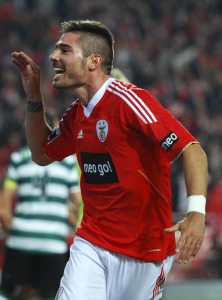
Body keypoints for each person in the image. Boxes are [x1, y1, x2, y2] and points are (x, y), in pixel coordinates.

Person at [11, 20, 208, 300]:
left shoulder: (130, 101)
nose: (53, 57)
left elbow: (192, 149)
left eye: (64, 50)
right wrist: (33, 96)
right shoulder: (75, 115)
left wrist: (197, 213)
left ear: (93, 61)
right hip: (92, 243)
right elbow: (41, 153)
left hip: (145, 251)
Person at [0, 109, 81, 300]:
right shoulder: (67, 162)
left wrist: (16, 229)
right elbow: (79, 204)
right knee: (52, 295)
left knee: (10, 294)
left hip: (21, 239)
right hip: (53, 241)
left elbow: (4, 207)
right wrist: (67, 216)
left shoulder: (19, 158)